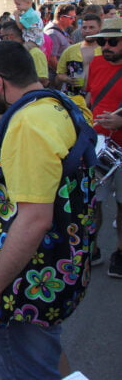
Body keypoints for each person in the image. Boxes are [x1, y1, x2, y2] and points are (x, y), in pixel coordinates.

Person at [0, 41, 94, 380]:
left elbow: (34, 218)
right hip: (61, 266)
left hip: (29, 279)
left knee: (29, 368)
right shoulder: (58, 104)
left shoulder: (26, 125)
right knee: (45, 353)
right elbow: (40, 175)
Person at [85, 17, 122, 276]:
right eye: (102, 41)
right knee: (92, 202)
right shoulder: (96, 63)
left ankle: (120, 252)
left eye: (112, 41)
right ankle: (92, 249)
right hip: (97, 145)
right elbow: (90, 98)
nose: (105, 46)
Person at [56, 13, 102, 98]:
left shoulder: (105, 51)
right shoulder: (70, 50)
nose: (87, 30)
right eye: (84, 27)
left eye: (91, 27)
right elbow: (60, 74)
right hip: (73, 97)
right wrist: (68, 79)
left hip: (97, 96)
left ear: (99, 29)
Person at [0, 21, 49, 88]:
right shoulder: (10, 54)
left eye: (1, 37)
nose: (1, 40)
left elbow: (44, 81)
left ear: (9, 37)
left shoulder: (35, 53)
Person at [44, 3, 77, 81]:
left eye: (74, 17)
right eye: (71, 17)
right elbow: (52, 60)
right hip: (56, 77)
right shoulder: (53, 33)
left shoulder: (60, 29)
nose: (74, 20)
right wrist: (63, 75)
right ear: (62, 18)